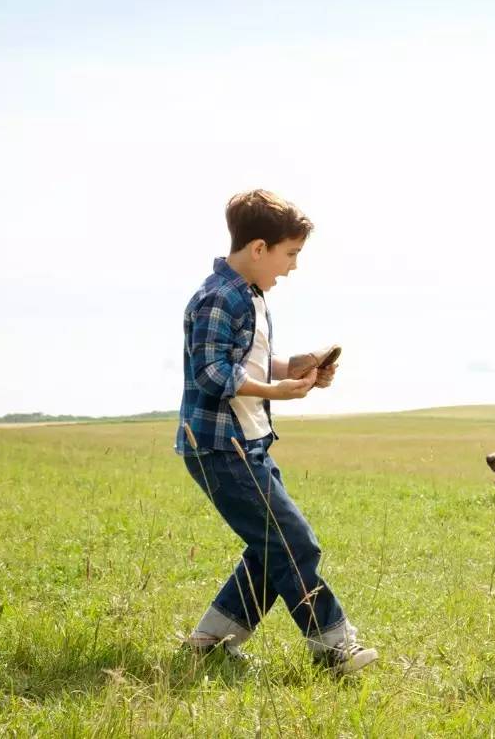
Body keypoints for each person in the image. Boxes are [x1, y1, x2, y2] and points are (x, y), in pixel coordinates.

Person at [175, 189, 377, 674]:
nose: (292, 267)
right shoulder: (218, 297)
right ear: (259, 248)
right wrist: (275, 391)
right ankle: (334, 649)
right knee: (295, 543)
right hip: (221, 447)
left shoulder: (249, 295)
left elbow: (249, 361)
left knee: (274, 545)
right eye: (291, 254)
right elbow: (211, 373)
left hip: (249, 445)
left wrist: (297, 366)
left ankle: (209, 641)